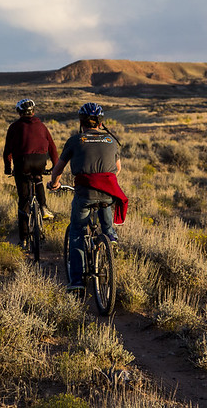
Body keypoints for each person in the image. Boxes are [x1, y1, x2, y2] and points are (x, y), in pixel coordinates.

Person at [48, 102, 128, 291]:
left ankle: (77, 282)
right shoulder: (111, 140)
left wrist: (54, 183)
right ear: (101, 123)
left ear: (81, 122)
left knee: (77, 232)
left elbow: (58, 168)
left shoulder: (75, 140)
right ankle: (109, 237)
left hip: (84, 194)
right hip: (108, 193)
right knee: (105, 210)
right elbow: (117, 169)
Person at [3, 98, 59, 248]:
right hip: (40, 161)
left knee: (23, 201)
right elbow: (52, 147)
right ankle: (43, 207)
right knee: (38, 178)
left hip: (22, 163)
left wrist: (8, 168)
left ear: (19, 112)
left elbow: (7, 150)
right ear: (33, 112)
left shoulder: (14, 127)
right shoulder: (42, 126)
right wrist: (55, 165)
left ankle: (24, 239)